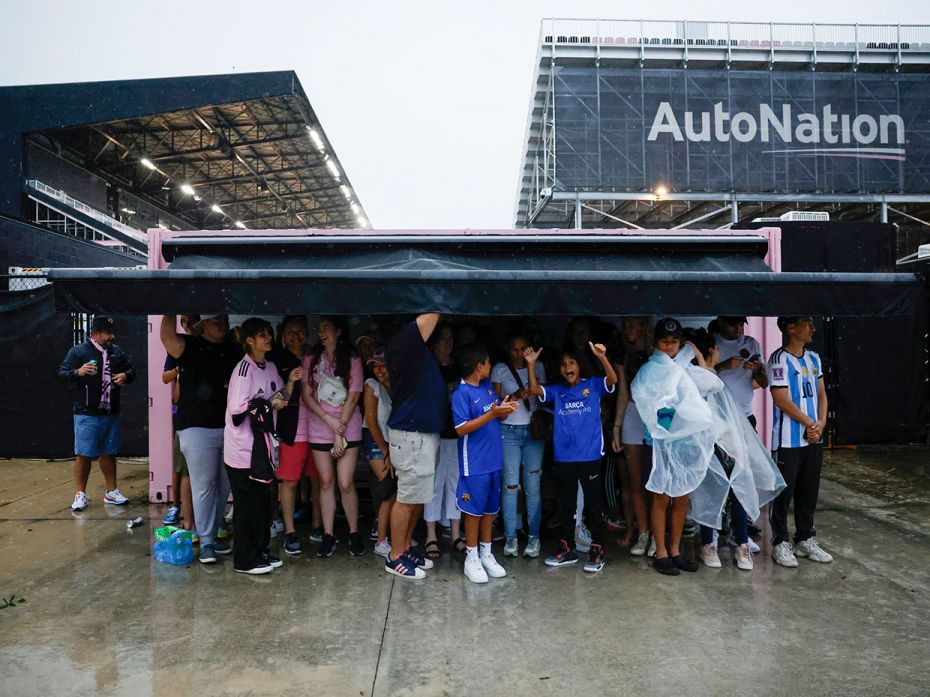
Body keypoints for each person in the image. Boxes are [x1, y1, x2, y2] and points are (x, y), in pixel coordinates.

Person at [684, 328, 786, 572]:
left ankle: (740, 540)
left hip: (730, 441)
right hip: (710, 444)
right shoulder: (701, 379)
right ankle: (708, 541)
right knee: (712, 489)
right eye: (716, 349)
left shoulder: (709, 377)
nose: (721, 351)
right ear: (710, 352)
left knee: (739, 486)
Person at [631, 319, 720, 576]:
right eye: (664, 341)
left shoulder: (685, 367)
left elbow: (709, 385)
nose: (669, 346)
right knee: (661, 497)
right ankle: (661, 552)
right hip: (659, 442)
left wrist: (698, 356)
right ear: (656, 343)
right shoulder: (648, 370)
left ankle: (676, 550)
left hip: (686, 443)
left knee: (682, 497)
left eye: (674, 342)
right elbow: (645, 402)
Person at [524, 341, 618, 573]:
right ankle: (567, 549)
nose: (568, 368)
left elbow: (613, 381)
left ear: (580, 365)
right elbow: (535, 390)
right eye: (564, 365)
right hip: (565, 457)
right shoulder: (558, 390)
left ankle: (597, 549)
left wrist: (602, 358)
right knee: (567, 506)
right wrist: (531, 364)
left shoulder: (593, 385)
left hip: (590, 455)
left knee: (594, 504)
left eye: (572, 363)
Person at [160, 314, 242, 564]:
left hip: (228, 426)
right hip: (196, 427)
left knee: (224, 485)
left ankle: (213, 534)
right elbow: (166, 338)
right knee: (204, 484)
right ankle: (206, 541)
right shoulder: (189, 345)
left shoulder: (232, 349)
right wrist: (168, 308)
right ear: (204, 324)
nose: (224, 326)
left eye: (225, 322)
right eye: (218, 322)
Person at [225, 318, 302, 575]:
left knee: (263, 504)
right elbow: (238, 411)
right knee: (246, 506)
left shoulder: (269, 367)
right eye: (262, 335)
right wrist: (268, 405)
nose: (268, 338)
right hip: (243, 451)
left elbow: (279, 397)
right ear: (249, 340)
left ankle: (260, 551)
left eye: (269, 333)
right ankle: (244, 559)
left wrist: (290, 382)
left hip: (263, 449)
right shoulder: (242, 371)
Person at [383, 313, 446, 580]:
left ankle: (406, 547)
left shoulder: (413, 349)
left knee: (417, 498)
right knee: (406, 498)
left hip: (422, 433)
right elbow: (429, 317)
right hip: (411, 434)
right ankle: (395, 555)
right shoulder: (402, 341)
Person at [767, 316, 833, 567]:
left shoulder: (814, 358)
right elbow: (781, 399)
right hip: (788, 440)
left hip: (813, 438)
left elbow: (821, 393)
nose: (813, 328)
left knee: (809, 489)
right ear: (791, 328)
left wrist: (821, 423)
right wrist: (809, 423)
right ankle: (780, 542)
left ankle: (805, 537)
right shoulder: (778, 360)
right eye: (807, 323)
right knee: (784, 492)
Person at [301, 316, 366, 558]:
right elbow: (307, 395)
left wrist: (339, 430)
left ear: (339, 331)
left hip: (347, 424)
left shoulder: (353, 358)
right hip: (321, 424)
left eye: (327, 327)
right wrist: (329, 422)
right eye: (319, 328)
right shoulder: (312, 358)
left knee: (345, 481)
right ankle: (328, 534)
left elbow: (353, 396)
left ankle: (354, 532)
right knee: (326, 481)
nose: (321, 332)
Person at [452, 344, 518, 583]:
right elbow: (460, 429)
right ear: (479, 366)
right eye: (488, 362)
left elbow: (494, 415)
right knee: (474, 511)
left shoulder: (488, 388)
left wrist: (505, 410)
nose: (491, 366)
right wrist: (492, 414)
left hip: (493, 460)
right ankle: (471, 557)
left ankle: (486, 554)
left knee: (490, 511)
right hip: (475, 464)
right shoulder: (461, 393)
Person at [58, 315, 136, 511]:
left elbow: (132, 370)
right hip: (87, 412)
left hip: (111, 411)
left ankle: (111, 492)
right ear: (94, 334)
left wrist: (125, 375)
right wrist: (78, 372)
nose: (112, 336)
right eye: (107, 333)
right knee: (84, 454)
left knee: (109, 452)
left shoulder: (116, 352)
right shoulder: (79, 352)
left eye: (112, 332)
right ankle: (80, 494)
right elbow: (61, 373)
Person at [269, 315, 321, 557]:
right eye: (290, 331)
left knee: (319, 479)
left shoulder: (317, 355)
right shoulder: (275, 360)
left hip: (320, 424)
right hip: (292, 427)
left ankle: (319, 526)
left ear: (308, 333)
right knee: (289, 481)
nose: (296, 335)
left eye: (300, 330)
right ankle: (290, 531)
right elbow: (271, 395)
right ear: (282, 334)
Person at [491, 332, 546, 558]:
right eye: (515, 349)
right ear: (508, 349)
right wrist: (514, 395)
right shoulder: (499, 369)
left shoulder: (538, 366)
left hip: (533, 431)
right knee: (510, 486)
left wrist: (531, 366)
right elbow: (496, 406)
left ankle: (534, 538)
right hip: (509, 432)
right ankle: (511, 538)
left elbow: (539, 393)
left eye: (523, 349)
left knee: (532, 486)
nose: (519, 353)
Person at [611, 317, 653, 556]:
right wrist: (617, 427)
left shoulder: (658, 352)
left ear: (645, 326)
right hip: (633, 413)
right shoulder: (623, 357)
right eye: (624, 325)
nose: (627, 330)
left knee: (655, 481)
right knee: (635, 481)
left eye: (632, 325)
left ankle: (657, 536)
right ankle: (643, 533)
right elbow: (623, 394)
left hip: (656, 415)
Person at [423, 321, 462, 560]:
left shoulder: (458, 367)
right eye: (442, 339)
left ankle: (455, 533)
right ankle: (431, 535)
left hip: (456, 432)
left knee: (456, 483)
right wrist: (448, 389)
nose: (447, 344)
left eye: (450, 339)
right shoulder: (428, 367)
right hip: (433, 432)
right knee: (434, 483)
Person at [363, 348, 395, 558]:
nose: (378, 370)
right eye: (375, 366)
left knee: (398, 491)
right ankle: (382, 541)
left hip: (395, 444)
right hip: (376, 443)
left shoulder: (399, 386)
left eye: (383, 365)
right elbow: (372, 422)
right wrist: (386, 452)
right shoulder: (371, 385)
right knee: (389, 488)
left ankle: (395, 536)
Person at [712, 317, 768, 427]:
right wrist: (722, 366)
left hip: (746, 413)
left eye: (741, 325)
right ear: (721, 322)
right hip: (719, 414)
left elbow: (764, 383)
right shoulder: (711, 343)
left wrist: (757, 370)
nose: (738, 329)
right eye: (733, 325)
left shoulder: (751, 343)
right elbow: (700, 377)